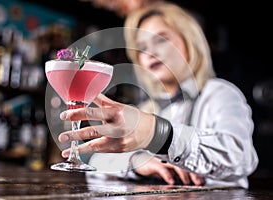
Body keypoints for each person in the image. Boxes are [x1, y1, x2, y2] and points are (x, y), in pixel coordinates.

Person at [58, 2, 258, 189]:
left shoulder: (219, 92)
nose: (150, 52)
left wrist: (159, 134)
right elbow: (97, 163)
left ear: (190, 42)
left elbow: (241, 158)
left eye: (161, 39)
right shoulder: (148, 109)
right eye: (142, 47)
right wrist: (135, 161)